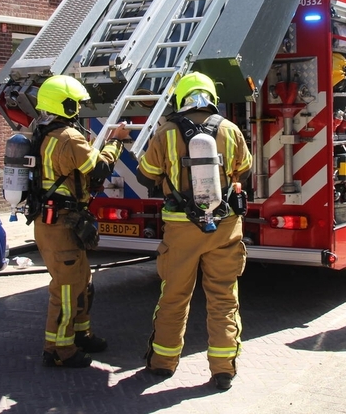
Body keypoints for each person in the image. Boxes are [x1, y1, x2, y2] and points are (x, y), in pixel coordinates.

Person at [137, 72, 252, 391]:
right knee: (224, 297)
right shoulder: (229, 129)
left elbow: (146, 175)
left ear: (181, 98)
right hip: (225, 227)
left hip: (180, 227)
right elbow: (245, 169)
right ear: (212, 96)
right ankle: (223, 370)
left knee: (174, 295)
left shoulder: (166, 131)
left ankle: (162, 363)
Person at [33, 75, 130, 368]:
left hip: (57, 221)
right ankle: (59, 350)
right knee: (65, 289)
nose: (78, 108)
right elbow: (99, 169)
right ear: (64, 104)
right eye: (75, 103)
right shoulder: (68, 137)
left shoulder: (44, 133)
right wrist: (116, 142)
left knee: (82, 282)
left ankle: (80, 334)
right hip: (61, 223)